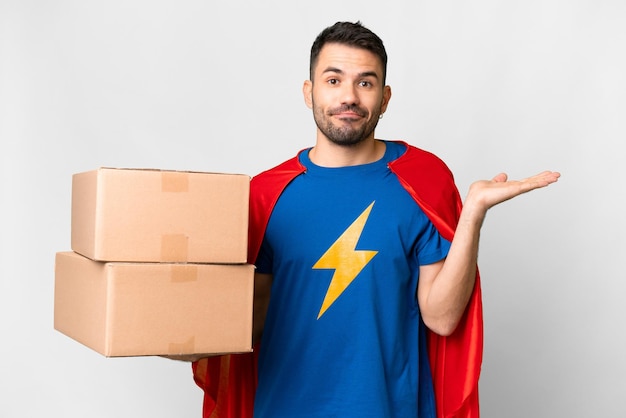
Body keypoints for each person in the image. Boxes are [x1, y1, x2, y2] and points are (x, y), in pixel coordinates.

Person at [188, 21, 560, 418]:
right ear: (308, 92)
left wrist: (472, 216)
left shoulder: (423, 179)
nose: (348, 96)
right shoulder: (264, 194)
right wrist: (175, 331)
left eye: (365, 83)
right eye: (333, 80)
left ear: (384, 98)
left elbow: (443, 317)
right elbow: (247, 324)